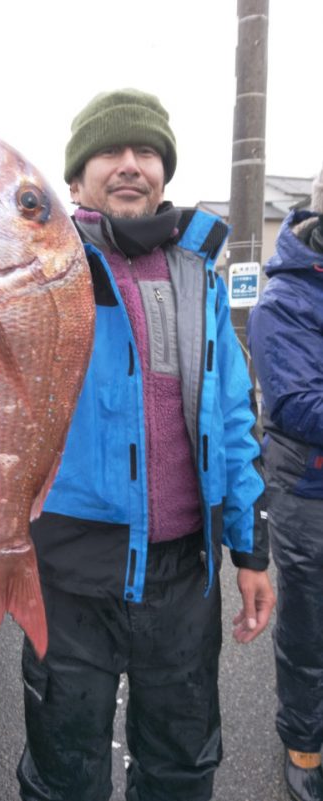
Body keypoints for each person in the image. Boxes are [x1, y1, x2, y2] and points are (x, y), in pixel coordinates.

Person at [14, 88, 275, 801]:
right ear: (76, 178)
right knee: (65, 774)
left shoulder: (199, 273)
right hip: (68, 569)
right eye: (111, 151)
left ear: (164, 170)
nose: (131, 164)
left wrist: (249, 548)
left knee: (181, 769)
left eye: (147, 152)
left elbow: (231, 415)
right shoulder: (40, 262)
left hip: (183, 574)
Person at [247, 164, 323, 801]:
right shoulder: (286, 300)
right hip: (308, 491)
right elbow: (297, 405)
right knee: (308, 625)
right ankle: (304, 739)